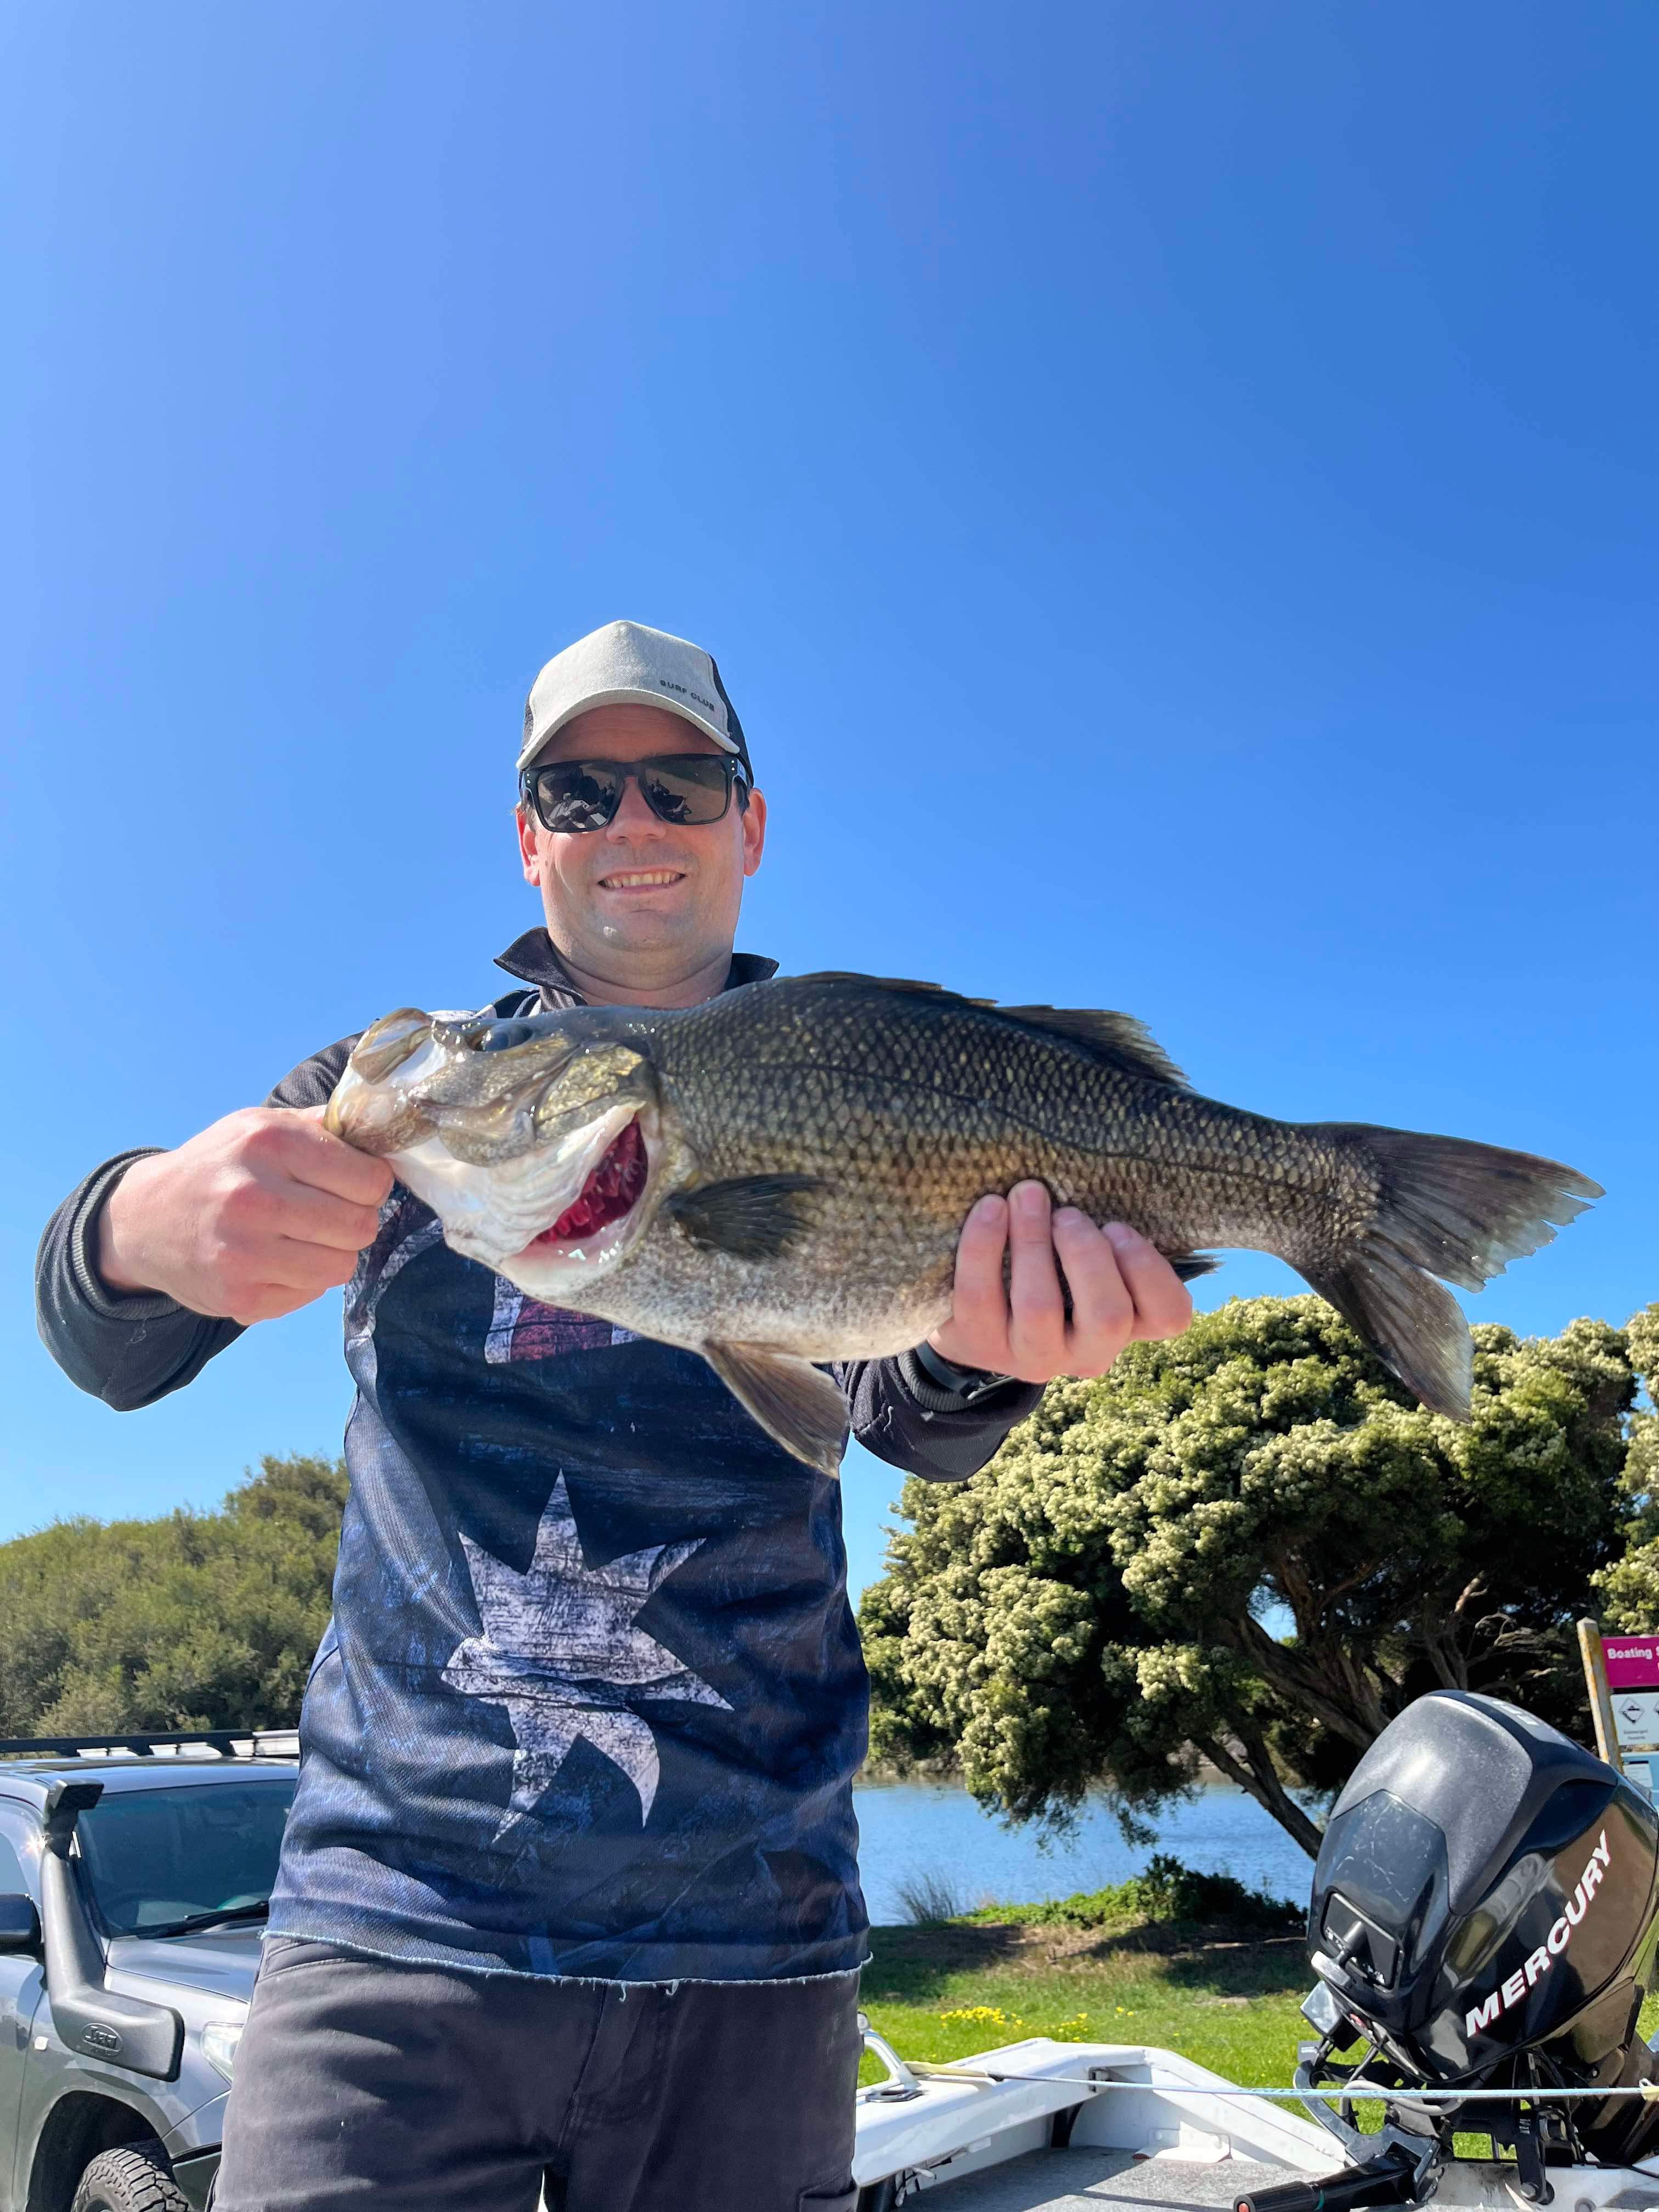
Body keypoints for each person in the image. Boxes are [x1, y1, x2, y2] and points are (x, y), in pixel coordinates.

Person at [36, 620, 1194, 2212]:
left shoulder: (867, 1069)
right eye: (580, 791)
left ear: (751, 825)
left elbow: (902, 1415)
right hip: (394, 1933)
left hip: (760, 1951)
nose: (632, 825)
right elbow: (113, 1350)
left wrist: (997, 1351)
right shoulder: (408, 1088)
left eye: (683, 782)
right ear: (529, 842)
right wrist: (136, 1223)